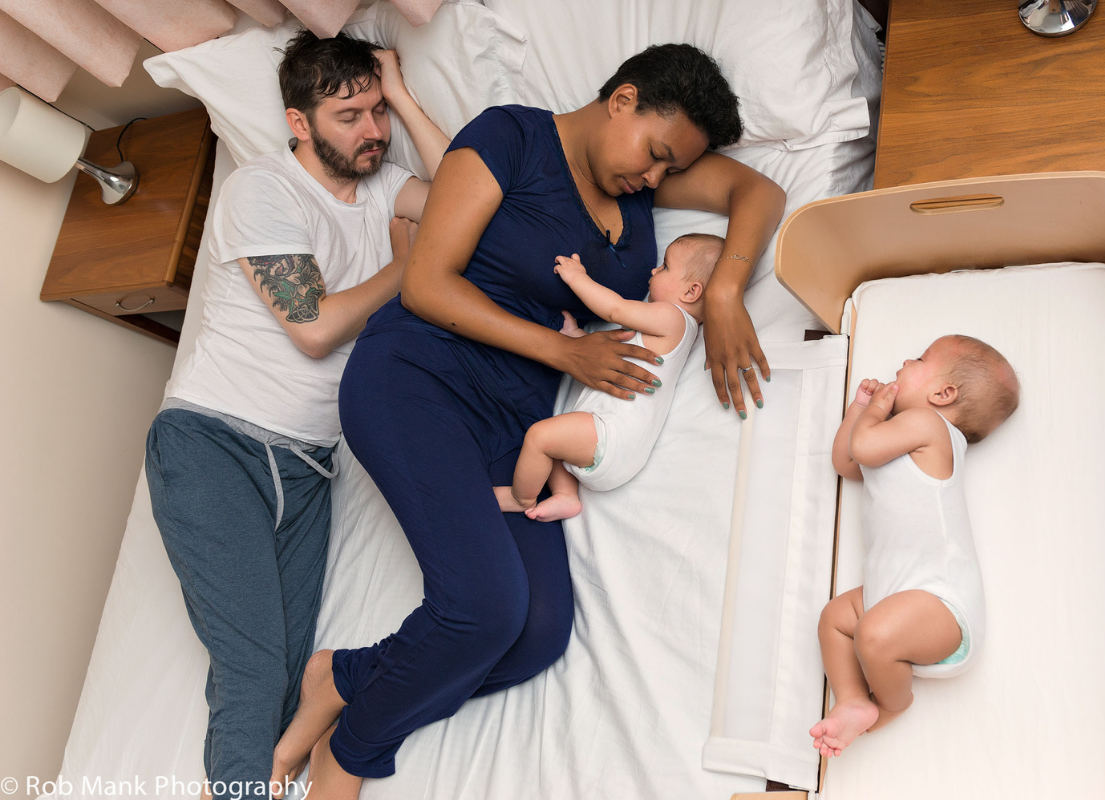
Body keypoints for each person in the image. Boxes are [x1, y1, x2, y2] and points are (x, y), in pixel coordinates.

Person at [273, 43, 787, 798]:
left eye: (668, 170)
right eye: (653, 155)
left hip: (511, 425)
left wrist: (721, 294)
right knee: (482, 611)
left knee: (536, 633)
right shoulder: (509, 137)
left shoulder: (646, 189)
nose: (654, 178)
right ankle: (346, 759)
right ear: (622, 100)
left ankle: (342, 677)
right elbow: (425, 283)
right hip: (418, 379)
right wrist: (564, 353)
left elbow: (760, 193)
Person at [144, 30, 449, 800]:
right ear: (299, 122)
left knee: (283, 670)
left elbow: (466, 190)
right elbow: (312, 328)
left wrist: (405, 97)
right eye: (349, 115)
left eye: (376, 110)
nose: (371, 131)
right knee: (251, 666)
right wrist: (406, 268)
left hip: (308, 470)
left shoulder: (384, 185)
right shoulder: (262, 189)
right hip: (214, 445)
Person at [810, 335, 1020, 758]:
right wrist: (856, 414)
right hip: (896, 597)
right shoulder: (898, 438)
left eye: (920, 358)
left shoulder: (930, 427)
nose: (904, 359)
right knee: (835, 618)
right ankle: (852, 697)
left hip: (941, 606)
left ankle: (892, 703)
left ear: (943, 395)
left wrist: (871, 413)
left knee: (871, 631)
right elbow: (847, 462)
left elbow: (864, 448)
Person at [494, 233, 723, 522]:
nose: (653, 271)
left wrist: (578, 278)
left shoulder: (672, 317)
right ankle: (566, 495)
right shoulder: (675, 332)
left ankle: (520, 497)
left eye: (664, 267)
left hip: (610, 436)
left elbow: (614, 308)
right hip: (620, 452)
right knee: (557, 444)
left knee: (540, 436)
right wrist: (577, 338)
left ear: (691, 292)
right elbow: (618, 356)